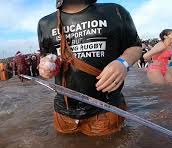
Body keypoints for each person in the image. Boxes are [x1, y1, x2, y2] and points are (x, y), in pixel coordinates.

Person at [37, 0, 142, 136]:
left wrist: (123, 63)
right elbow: (46, 58)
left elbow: (135, 46)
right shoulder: (45, 23)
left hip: (106, 108)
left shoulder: (114, 11)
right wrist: (45, 70)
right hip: (63, 112)